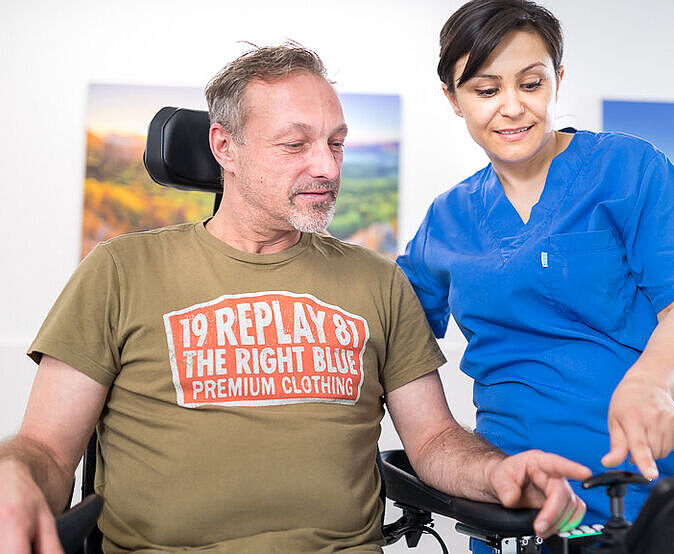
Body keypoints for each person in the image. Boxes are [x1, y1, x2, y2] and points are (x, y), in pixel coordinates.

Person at [0, 44, 592, 553]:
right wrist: (14, 476)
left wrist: (498, 471)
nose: (326, 167)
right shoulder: (120, 271)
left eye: (335, 144)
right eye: (296, 145)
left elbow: (435, 441)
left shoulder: (378, 283)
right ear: (224, 148)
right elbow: (46, 452)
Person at [396, 1, 674, 553]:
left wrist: (650, 385)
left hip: (649, 488)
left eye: (530, 84)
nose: (512, 108)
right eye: (486, 91)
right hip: (523, 507)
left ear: (557, 78)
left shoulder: (628, 168)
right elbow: (393, 327)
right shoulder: (449, 218)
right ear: (453, 99)